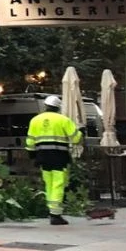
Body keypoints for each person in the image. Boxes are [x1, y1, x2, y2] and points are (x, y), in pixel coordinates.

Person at [26, 95, 83, 226]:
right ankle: (55, 215)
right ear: (58, 107)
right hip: (59, 157)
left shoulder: (35, 120)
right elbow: (75, 139)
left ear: (45, 106)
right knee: (58, 184)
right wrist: (81, 132)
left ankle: (52, 211)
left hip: (42, 157)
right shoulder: (63, 120)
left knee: (49, 184)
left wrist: (32, 155)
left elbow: (30, 141)